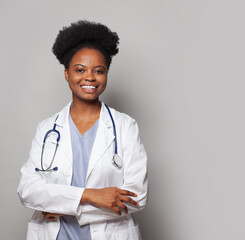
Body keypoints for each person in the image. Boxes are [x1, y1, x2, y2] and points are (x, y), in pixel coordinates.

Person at [17, 20, 148, 240]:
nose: (89, 77)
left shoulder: (125, 127)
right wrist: (89, 196)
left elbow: (137, 198)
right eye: (80, 70)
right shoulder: (47, 129)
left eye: (99, 70)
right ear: (67, 74)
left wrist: (62, 205)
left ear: (106, 74)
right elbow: (28, 190)